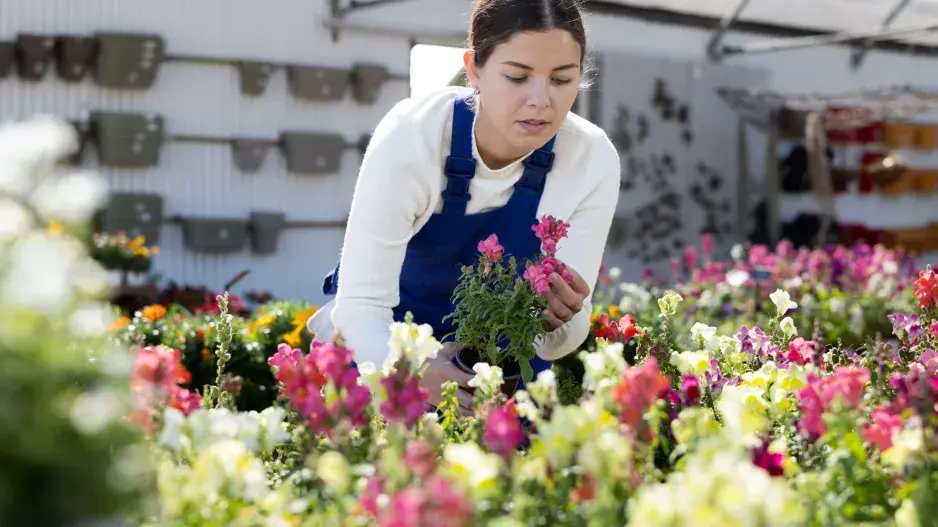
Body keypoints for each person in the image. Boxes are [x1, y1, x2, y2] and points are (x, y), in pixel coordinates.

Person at [309, 0, 621, 413]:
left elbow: (556, 342)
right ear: (474, 69)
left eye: (562, 80)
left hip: (491, 376)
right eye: (517, 77)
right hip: (377, 353)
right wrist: (414, 372)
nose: (541, 100)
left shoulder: (590, 158)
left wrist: (565, 318)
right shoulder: (414, 138)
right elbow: (362, 306)